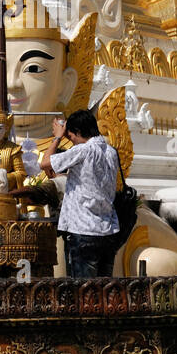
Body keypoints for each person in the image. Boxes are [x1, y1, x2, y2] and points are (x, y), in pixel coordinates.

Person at [41, 109, 120, 278]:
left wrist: (57, 137)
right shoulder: (111, 152)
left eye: (71, 138)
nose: (72, 142)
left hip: (83, 230)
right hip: (107, 230)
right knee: (104, 291)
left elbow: (45, 163)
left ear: (77, 132)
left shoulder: (83, 150)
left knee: (83, 293)